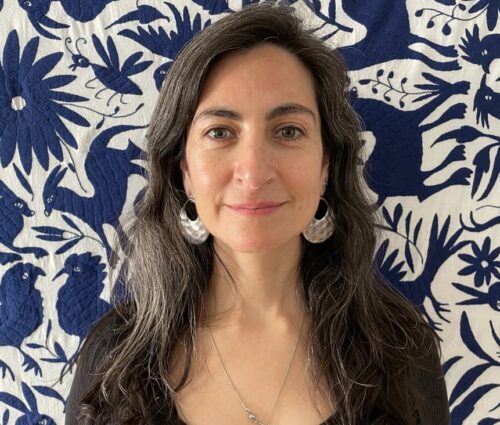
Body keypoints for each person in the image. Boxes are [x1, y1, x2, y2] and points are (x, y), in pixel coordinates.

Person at [64, 2, 450, 424]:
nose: (253, 172)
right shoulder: (114, 359)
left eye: (288, 131)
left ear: (325, 167)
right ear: (185, 171)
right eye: (220, 132)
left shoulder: (400, 348)